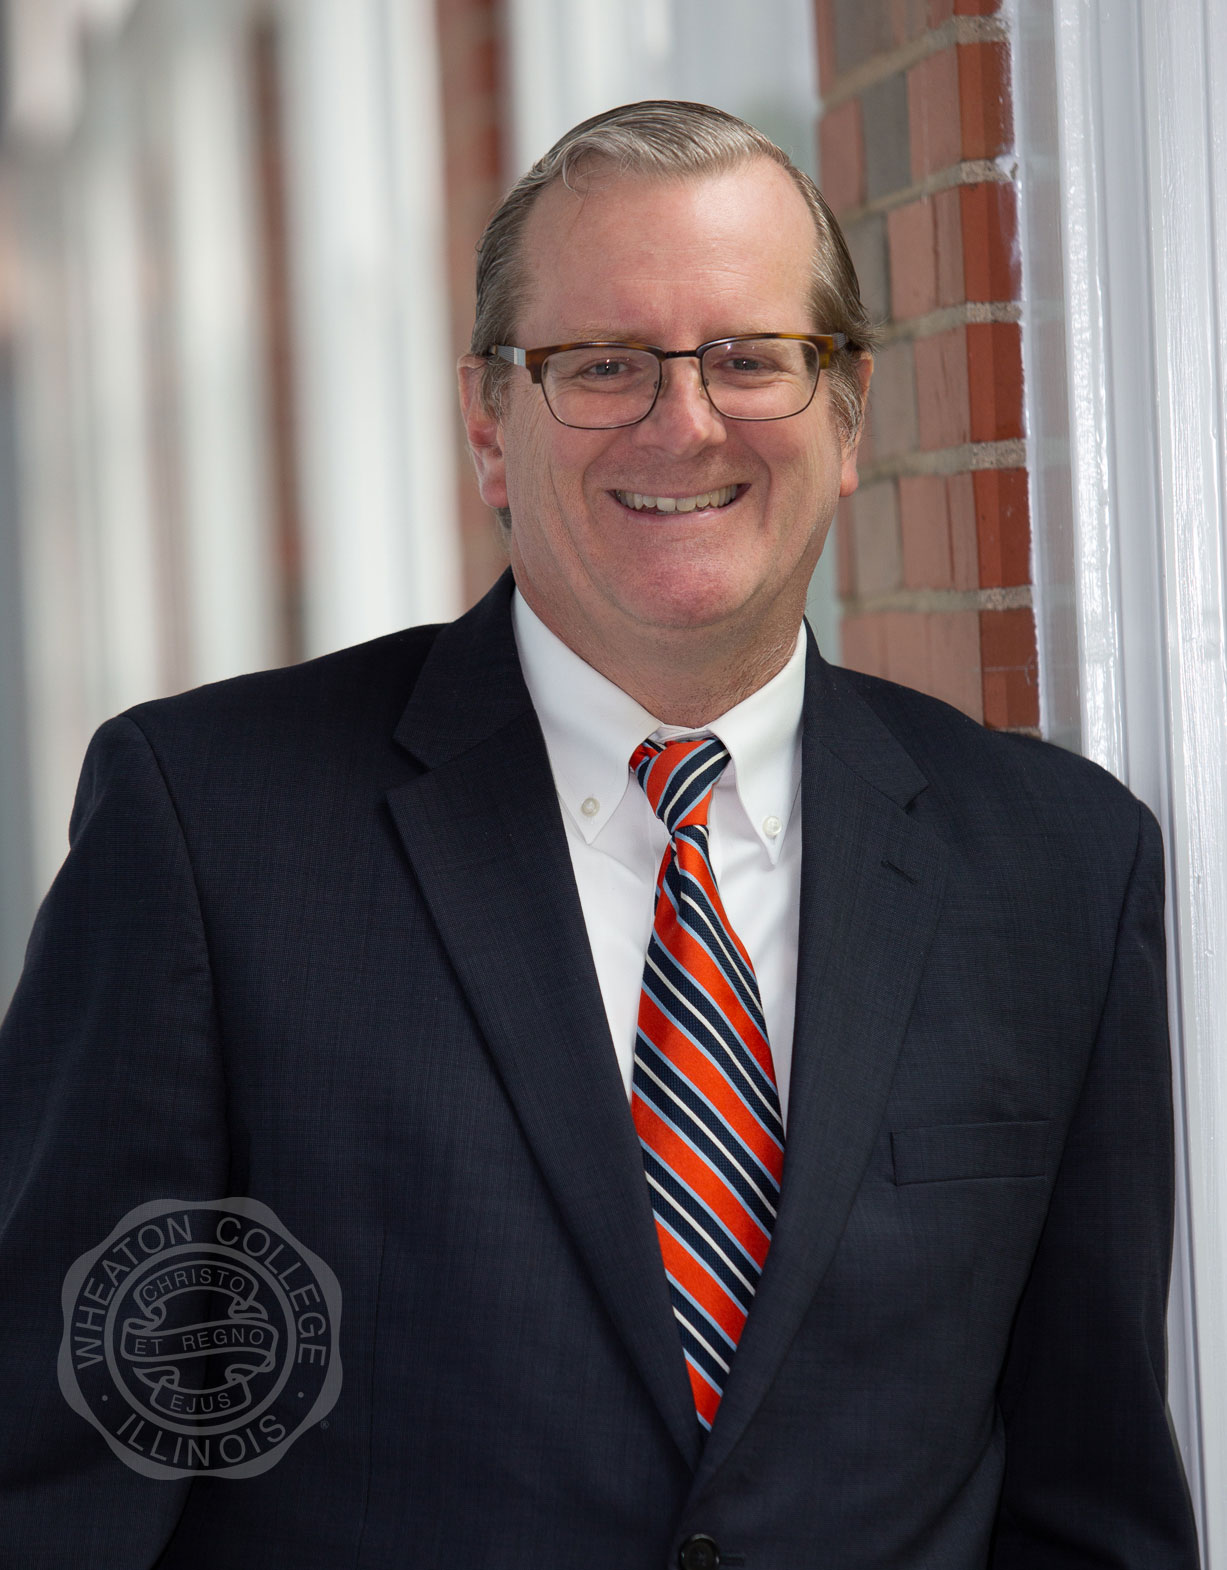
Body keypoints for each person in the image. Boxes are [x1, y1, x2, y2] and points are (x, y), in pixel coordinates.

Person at [0, 100, 1199, 1569]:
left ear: (849, 418)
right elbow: (64, 1481)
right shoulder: (208, 831)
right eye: (603, 364)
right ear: (489, 423)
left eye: (752, 358)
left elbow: (1091, 1507)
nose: (682, 420)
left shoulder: (1061, 872)